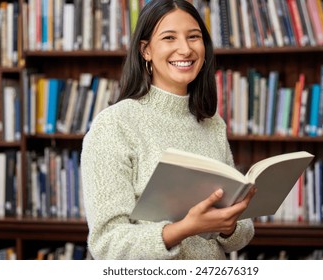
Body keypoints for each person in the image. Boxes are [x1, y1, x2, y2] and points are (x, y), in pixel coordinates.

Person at [81, 0, 256, 260]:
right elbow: (107, 244)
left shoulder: (212, 123)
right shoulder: (114, 125)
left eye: (193, 37)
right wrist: (183, 229)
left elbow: (241, 234)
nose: (185, 49)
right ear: (146, 50)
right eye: (169, 37)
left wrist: (229, 226)